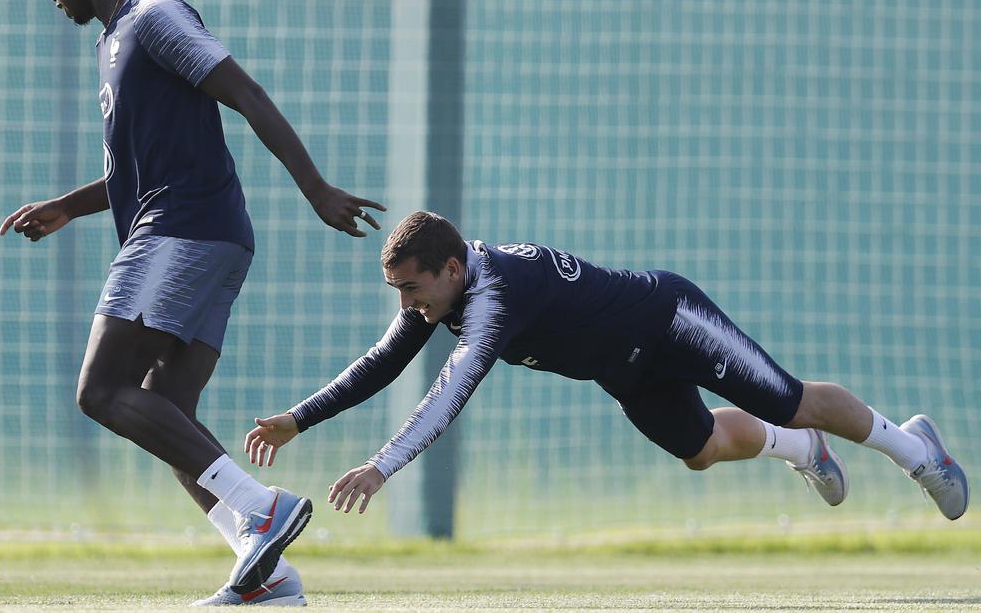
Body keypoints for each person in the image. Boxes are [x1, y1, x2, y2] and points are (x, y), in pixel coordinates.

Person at [0, 0, 385, 605]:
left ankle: (262, 511)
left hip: (180, 231)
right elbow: (135, 166)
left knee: (99, 391)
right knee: (166, 412)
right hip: (208, 233)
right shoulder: (113, 41)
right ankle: (265, 577)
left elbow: (244, 92)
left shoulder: (153, 17)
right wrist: (68, 206)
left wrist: (315, 188)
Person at [246, 211, 968, 524]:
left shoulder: (493, 297)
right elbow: (380, 363)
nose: (406, 305)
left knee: (786, 397)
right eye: (396, 292)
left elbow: (452, 387)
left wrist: (380, 464)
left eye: (411, 288)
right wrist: (298, 419)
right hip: (624, 371)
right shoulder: (439, 297)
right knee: (702, 451)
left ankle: (913, 449)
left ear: (450, 267)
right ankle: (802, 451)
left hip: (670, 321)